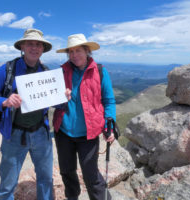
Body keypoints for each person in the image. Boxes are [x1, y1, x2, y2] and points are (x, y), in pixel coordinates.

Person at [0, 28, 54, 200]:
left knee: (45, 179)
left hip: (41, 134)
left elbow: (55, 102)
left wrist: (64, 96)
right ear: (22, 46)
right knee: (8, 184)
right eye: (30, 44)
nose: (34, 48)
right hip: (14, 134)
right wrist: (4, 102)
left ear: (43, 48)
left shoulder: (46, 72)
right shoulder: (7, 70)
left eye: (38, 45)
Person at [53, 33, 116, 200]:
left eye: (78, 50)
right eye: (71, 52)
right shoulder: (61, 71)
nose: (74, 55)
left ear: (87, 51)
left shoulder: (100, 72)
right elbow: (51, 100)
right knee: (67, 171)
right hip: (64, 132)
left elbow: (109, 101)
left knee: (91, 174)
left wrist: (109, 126)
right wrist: (59, 98)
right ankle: (72, 197)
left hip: (88, 133)